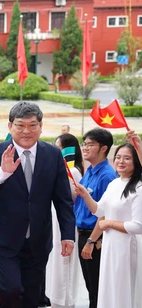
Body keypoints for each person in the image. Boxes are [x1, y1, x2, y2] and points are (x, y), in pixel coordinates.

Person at [0, 102, 75, 308]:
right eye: (20, 125)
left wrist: (67, 235)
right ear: (9, 126)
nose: (26, 131)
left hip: (38, 239)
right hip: (4, 239)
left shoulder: (53, 154)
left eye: (32, 125)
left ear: (41, 126)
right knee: (11, 289)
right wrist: (2, 174)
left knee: (32, 295)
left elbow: (63, 199)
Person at [75, 142, 142, 308]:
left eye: (127, 158)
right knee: (109, 288)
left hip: (127, 247)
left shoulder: (139, 187)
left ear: (136, 161)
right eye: (118, 157)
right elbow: (99, 210)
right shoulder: (114, 184)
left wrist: (109, 223)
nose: (121, 161)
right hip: (110, 246)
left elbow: (138, 226)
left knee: (124, 290)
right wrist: (85, 195)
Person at [74, 128, 116, 308]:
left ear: (104, 148)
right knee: (91, 285)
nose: (85, 148)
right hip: (83, 234)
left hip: (95, 237)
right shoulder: (90, 171)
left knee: (98, 287)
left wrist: (92, 241)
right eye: (84, 144)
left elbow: (105, 212)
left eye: (90, 144)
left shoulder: (107, 175)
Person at [46, 133, 84, 308]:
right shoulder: (62, 168)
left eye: (59, 147)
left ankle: (65, 301)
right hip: (55, 219)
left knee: (64, 262)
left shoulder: (73, 170)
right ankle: (56, 299)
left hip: (65, 220)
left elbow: (73, 197)